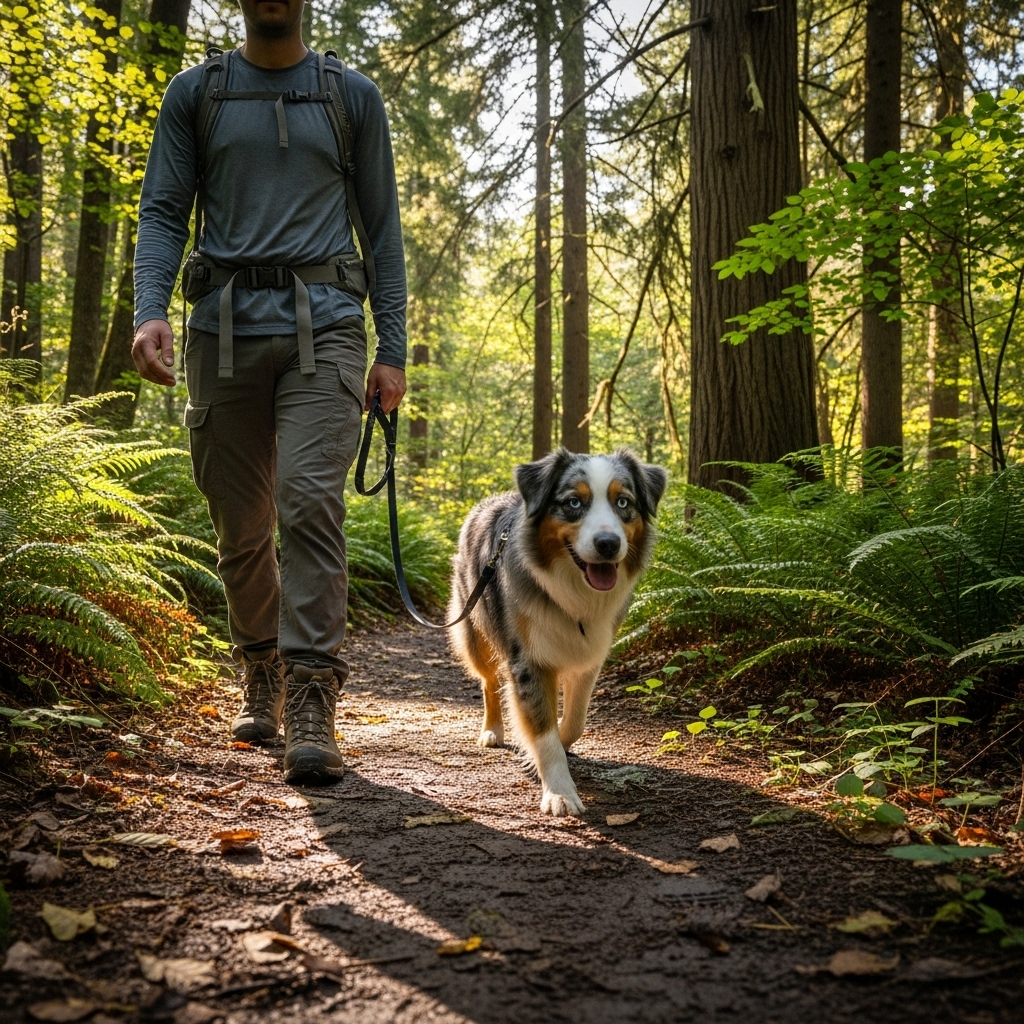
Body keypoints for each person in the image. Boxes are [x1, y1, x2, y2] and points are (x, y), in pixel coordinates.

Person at [132, 0, 407, 785]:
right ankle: (261, 668)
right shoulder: (198, 92)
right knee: (240, 523)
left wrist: (393, 349)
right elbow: (163, 211)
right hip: (220, 333)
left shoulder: (350, 96)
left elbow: (382, 232)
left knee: (310, 500)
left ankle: (314, 695)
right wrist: (152, 308)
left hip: (327, 329)